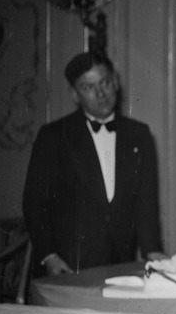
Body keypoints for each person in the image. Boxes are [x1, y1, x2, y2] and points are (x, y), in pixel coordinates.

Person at [22, 51, 165, 276]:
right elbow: (34, 204)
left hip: (120, 265)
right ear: (75, 95)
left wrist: (153, 251)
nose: (100, 94)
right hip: (69, 267)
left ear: (116, 82)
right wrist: (50, 256)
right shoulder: (54, 136)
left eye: (105, 83)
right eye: (88, 88)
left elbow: (145, 202)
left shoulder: (139, 134)